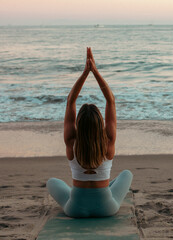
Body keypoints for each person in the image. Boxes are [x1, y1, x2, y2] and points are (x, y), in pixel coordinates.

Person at [46, 48, 133, 218]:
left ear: (78, 123)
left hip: (75, 209)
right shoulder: (109, 141)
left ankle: (83, 194)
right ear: (100, 123)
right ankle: (102, 189)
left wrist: (85, 73)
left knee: (51, 182)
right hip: (107, 208)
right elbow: (111, 100)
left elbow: (70, 100)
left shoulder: (71, 141)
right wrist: (95, 71)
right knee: (126, 174)